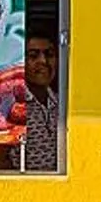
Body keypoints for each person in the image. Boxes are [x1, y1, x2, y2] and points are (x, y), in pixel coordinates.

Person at [21, 18, 61, 172]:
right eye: (33, 55)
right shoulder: (11, 104)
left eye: (49, 54)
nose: (43, 61)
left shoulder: (61, 103)